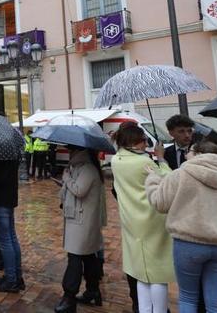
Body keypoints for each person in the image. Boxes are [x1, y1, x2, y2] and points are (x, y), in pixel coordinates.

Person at [145, 140, 217, 313]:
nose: (186, 154)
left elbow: (159, 203)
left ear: (197, 152)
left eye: (190, 150)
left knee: (188, 297)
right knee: (215, 301)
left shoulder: (181, 174)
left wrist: (153, 180)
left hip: (188, 245)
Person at [112, 123, 174, 313]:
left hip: (131, 220)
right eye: (143, 140)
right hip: (152, 220)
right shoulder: (142, 162)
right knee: (157, 273)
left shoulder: (116, 159)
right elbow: (169, 179)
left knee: (140, 272)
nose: (145, 144)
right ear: (135, 141)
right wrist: (161, 158)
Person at [55, 147, 106, 313]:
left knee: (75, 257)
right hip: (79, 220)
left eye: (71, 150)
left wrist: (67, 179)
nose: (69, 152)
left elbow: (79, 190)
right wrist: (66, 182)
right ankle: (92, 291)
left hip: (82, 221)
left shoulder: (88, 169)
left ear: (80, 152)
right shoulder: (79, 168)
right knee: (88, 256)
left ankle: (69, 298)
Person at [0, 153, 24, 293]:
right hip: (9, 199)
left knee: (5, 242)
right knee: (12, 239)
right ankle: (17, 277)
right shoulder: (12, 151)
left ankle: (11, 280)